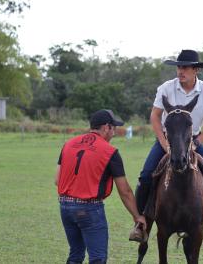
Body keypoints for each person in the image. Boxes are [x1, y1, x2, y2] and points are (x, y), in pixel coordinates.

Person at [129, 49, 203, 243]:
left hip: (193, 141)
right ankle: (140, 225)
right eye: (179, 67)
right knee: (146, 175)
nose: (180, 71)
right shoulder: (166, 87)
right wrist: (164, 144)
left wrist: (198, 142)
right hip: (166, 141)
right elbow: (155, 117)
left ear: (196, 70)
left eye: (185, 68)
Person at [55, 109, 146, 264]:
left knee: (76, 254)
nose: (114, 133)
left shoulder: (68, 144)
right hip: (90, 209)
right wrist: (137, 216)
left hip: (65, 207)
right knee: (98, 258)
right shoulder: (110, 152)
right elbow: (125, 191)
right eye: (113, 128)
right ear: (106, 127)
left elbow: (57, 180)